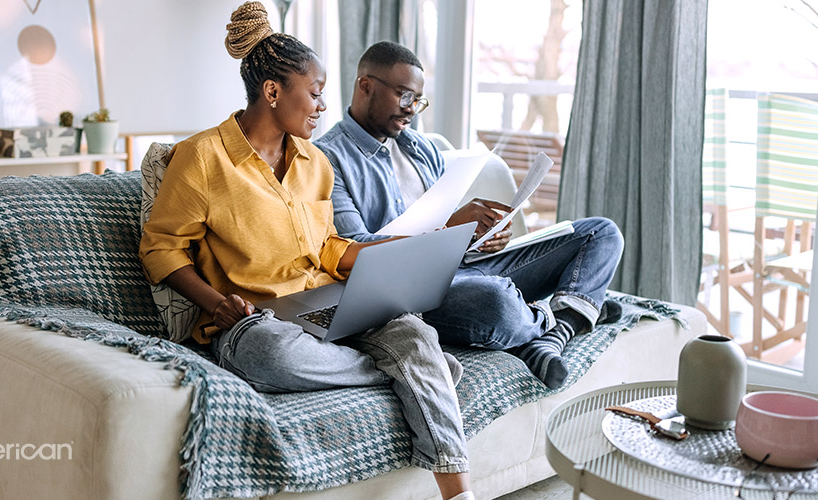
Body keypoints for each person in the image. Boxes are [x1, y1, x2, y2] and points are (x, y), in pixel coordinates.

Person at [139, 5, 474, 500]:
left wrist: (381, 258)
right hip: (255, 320)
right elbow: (160, 249)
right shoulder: (203, 157)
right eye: (315, 94)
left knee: (413, 330)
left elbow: (324, 246)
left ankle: (459, 492)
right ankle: (419, 370)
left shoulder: (315, 161)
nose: (322, 106)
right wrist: (215, 304)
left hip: (325, 300)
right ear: (273, 91)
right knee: (271, 354)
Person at [315, 41, 624, 390]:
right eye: (404, 97)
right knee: (496, 301)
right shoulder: (327, 159)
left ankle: (550, 333)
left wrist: (477, 237)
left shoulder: (422, 148)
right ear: (365, 85)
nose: (412, 110)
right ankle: (571, 314)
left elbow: (449, 230)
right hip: (410, 293)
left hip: (465, 268)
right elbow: (354, 251)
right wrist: (448, 229)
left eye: (418, 100)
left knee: (601, 233)